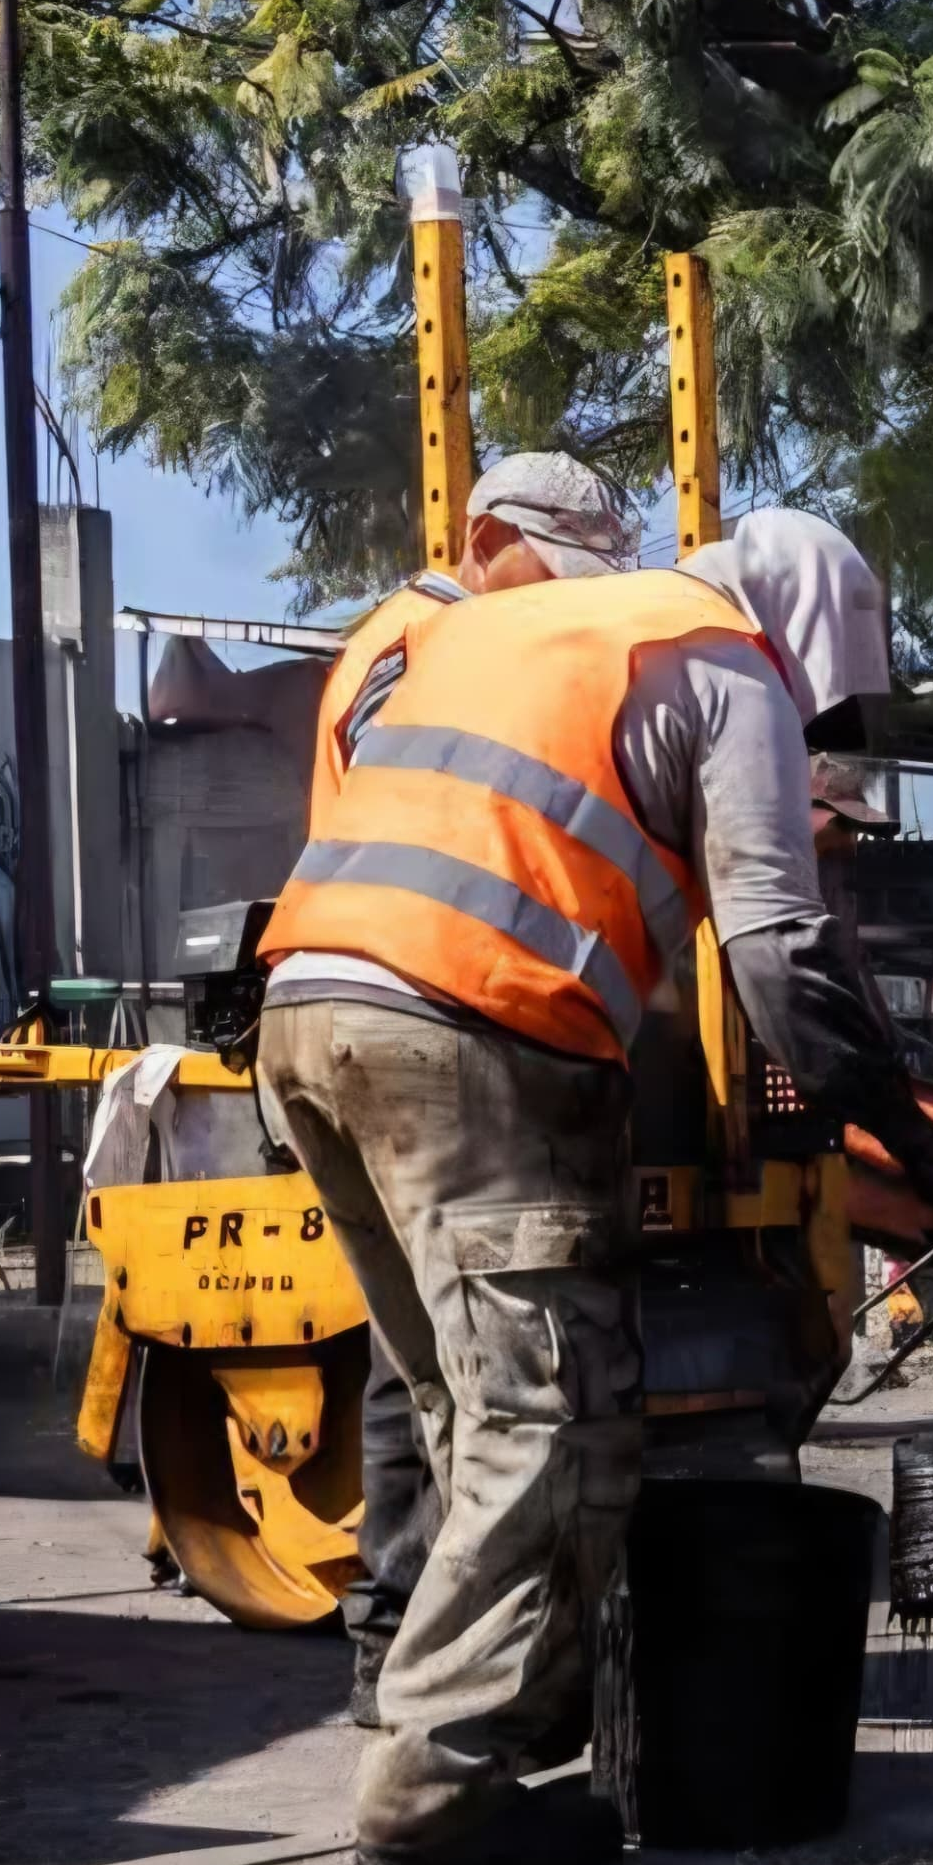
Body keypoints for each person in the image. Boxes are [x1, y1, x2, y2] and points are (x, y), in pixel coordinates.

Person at [256, 509, 933, 1865]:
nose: (817, 717)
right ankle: (434, 1795)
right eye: (824, 688)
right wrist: (919, 1148)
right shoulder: (730, 665)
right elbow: (781, 954)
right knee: (555, 1418)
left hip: (304, 1015)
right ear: (811, 624)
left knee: (463, 1409)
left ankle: (457, 1717)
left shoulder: (516, 629)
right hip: (464, 1031)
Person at [326, 451, 641, 1731]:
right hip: (420, 1007)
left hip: (425, 1001)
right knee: (445, 1384)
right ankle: (405, 1655)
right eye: (547, 570)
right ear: (484, 534)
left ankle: (447, 1662)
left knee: (448, 1374)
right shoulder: (419, 641)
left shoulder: (460, 638)